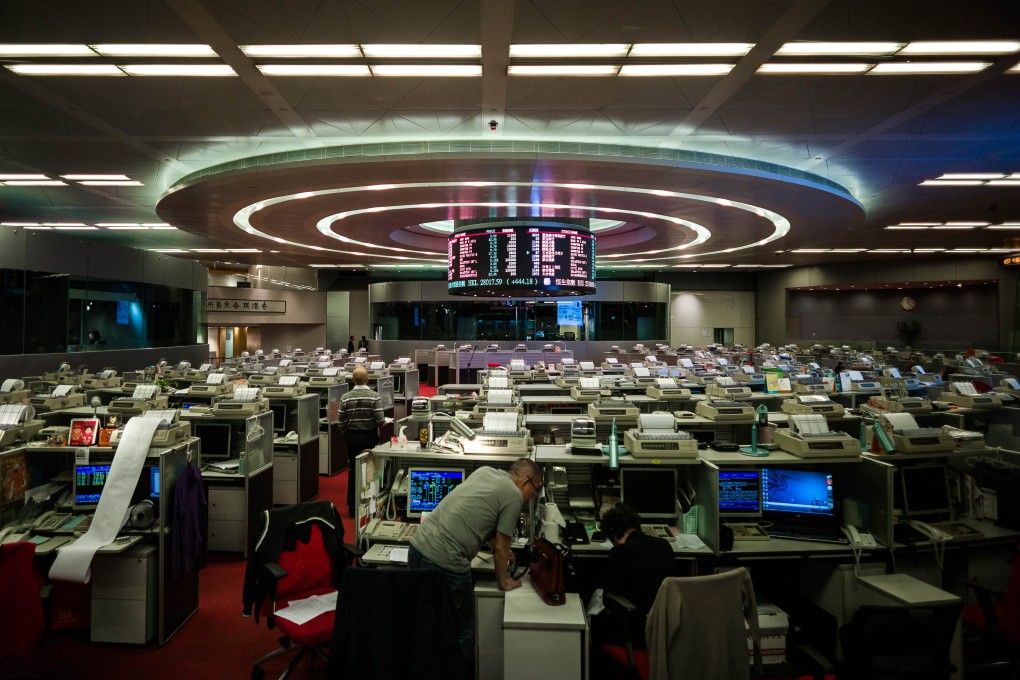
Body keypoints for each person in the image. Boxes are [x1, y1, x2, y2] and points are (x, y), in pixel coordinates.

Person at [409, 458, 543, 661]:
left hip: (418, 547)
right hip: (447, 560)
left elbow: (479, 515)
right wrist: (503, 582)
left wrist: (497, 545)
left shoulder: (485, 471)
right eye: (535, 489)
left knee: (425, 621)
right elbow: (501, 547)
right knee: (463, 627)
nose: (533, 496)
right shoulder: (514, 496)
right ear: (525, 482)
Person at [594, 502, 675, 651]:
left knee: (595, 620)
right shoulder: (664, 545)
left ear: (615, 535)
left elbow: (610, 604)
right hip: (664, 627)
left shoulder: (619, 553)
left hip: (635, 630)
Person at [337, 366, 384, 516]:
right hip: (369, 436)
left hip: (352, 438)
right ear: (367, 379)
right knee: (370, 469)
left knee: (353, 469)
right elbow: (380, 420)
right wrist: (379, 424)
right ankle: (370, 505)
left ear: (352, 380)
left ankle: (352, 506)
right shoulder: (374, 396)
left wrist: (347, 434)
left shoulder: (345, 397)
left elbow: (340, 422)